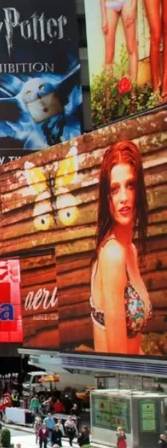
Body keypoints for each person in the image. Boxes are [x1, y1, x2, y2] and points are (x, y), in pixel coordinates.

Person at [90, 140, 151, 356]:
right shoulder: (112, 254)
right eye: (115, 189)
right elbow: (118, 359)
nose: (124, 197)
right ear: (107, 198)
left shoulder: (130, 250)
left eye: (130, 185)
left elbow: (133, 346)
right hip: (119, 375)